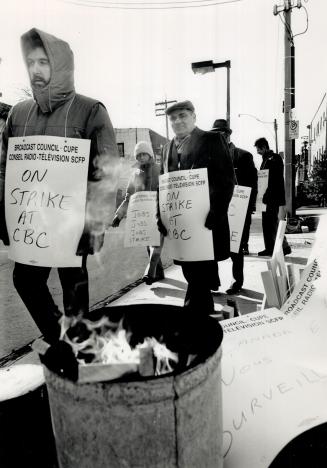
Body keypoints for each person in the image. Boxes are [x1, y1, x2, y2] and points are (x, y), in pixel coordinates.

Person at [0, 28, 120, 344]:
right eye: (31, 62)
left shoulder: (91, 109)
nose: (36, 69)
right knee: (24, 280)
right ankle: (59, 338)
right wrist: (3, 213)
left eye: (44, 61)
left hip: (73, 221)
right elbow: (4, 168)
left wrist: (95, 224)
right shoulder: (18, 112)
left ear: (61, 65)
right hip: (33, 220)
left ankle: (80, 350)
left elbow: (107, 172)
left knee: (73, 287)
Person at [157, 100, 235, 315]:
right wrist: (160, 217)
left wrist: (217, 213)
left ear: (193, 116)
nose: (177, 121)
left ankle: (193, 317)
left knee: (199, 276)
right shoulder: (167, 148)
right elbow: (162, 186)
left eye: (182, 115)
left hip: (206, 222)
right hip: (180, 225)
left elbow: (226, 180)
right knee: (190, 271)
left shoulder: (212, 139)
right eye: (173, 118)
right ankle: (200, 316)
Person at [211, 119, 257, 294]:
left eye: (222, 134)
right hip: (216, 209)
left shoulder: (243, 156)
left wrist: (249, 207)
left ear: (228, 135)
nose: (219, 137)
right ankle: (213, 281)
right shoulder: (209, 158)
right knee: (212, 246)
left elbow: (252, 185)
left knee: (236, 247)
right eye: (215, 135)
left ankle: (237, 281)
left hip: (238, 209)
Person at [112, 140, 165, 285]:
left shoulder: (159, 169)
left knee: (156, 245)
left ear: (149, 154)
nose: (141, 157)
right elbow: (129, 195)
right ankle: (158, 272)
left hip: (159, 211)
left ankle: (150, 272)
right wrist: (119, 215)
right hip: (143, 214)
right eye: (139, 155)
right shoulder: (135, 174)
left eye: (144, 154)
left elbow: (167, 188)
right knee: (149, 243)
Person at [254, 137, 291, 256]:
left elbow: (274, 180)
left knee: (272, 223)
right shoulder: (266, 159)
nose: (257, 152)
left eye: (259, 149)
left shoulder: (274, 158)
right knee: (269, 223)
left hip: (272, 197)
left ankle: (281, 247)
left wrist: (266, 194)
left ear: (264, 147)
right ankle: (272, 247)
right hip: (268, 197)